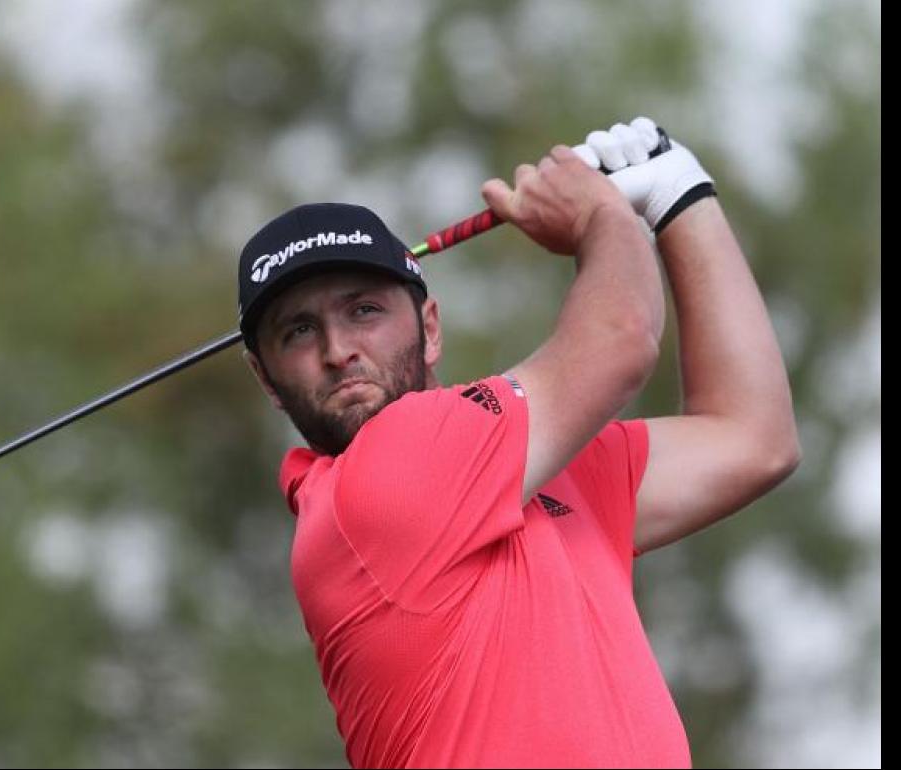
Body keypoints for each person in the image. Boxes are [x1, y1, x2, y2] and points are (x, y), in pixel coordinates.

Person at [235, 118, 800, 768]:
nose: (339, 352)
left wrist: (682, 200)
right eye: (299, 332)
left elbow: (754, 438)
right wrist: (603, 217)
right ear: (267, 378)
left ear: (430, 326)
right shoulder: (376, 482)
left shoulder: (534, 471)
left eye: (363, 311)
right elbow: (621, 338)